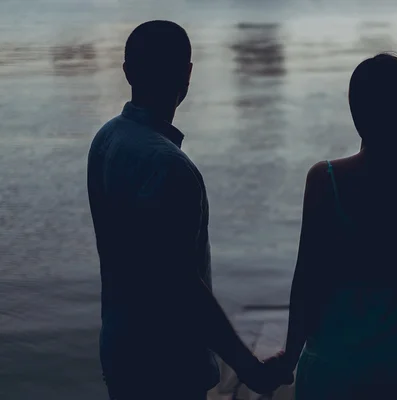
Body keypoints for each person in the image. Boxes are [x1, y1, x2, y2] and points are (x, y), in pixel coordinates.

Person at [87, 20, 291, 399]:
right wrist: (249, 368)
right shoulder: (170, 167)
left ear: (128, 71)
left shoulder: (107, 140)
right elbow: (181, 284)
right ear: (188, 74)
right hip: (167, 366)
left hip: (121, 351)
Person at [267, 53, 397, 399]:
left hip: (335, 356)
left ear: (357, 113)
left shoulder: (326, 179)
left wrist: (289, 357)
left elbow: (307, 278)